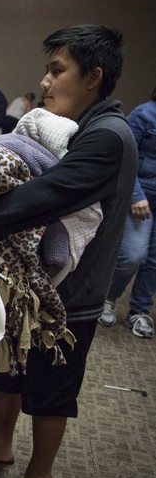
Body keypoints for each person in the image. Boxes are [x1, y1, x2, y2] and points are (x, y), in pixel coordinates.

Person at [0, 25, 136, 478]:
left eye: (57, 70)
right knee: (8, 366)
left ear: (94, 77)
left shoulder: (107, 136)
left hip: (72, 295)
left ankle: (41, 475)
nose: (45, 82)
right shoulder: (83, 128)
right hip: (30, 282)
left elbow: (41, 197)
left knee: (51, 384)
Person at [98, 83, 156, 338]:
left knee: (154, 261)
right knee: (132, 256)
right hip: (142, 198)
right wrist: (135, 195)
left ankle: (139, 310)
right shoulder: (144, 114)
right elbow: (124, 155)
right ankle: (109, 298)